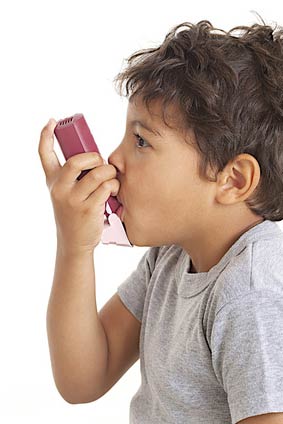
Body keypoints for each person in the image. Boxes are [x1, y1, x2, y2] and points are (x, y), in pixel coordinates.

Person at [38, 16, 283, 424]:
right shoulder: (169, 259)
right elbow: (82, 378)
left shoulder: (253, 292)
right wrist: (74, 247)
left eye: (141, 140)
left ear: (233, 180)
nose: (114, 159)